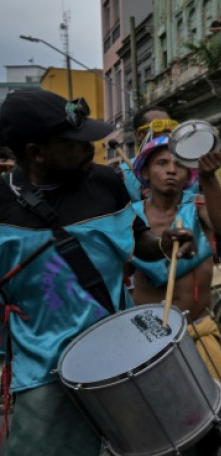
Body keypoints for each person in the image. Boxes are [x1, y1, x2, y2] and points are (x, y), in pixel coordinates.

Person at [0, 90, 195, 455]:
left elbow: (137, 239)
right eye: (74, 142)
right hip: (46, 376)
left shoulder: (106, 183)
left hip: (123, 356)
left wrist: (164, 242)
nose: (90, 146)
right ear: (35, 153)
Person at [127, 137, 221, 423]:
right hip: (149, 343)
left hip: (198, 332)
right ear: (146, 172)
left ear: (189, 175)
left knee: (208, 429)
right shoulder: (128, 220)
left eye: (179, 165)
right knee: (159, 426)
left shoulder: (198, 209)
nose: (171, 170)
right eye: (162, 163)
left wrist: (210, 178)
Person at [121, 105, 187, 202]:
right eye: (158, 125)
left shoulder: (187, 164)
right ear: (139, 134)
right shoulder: (125, 173)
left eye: (171, 124)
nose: (168, 129)